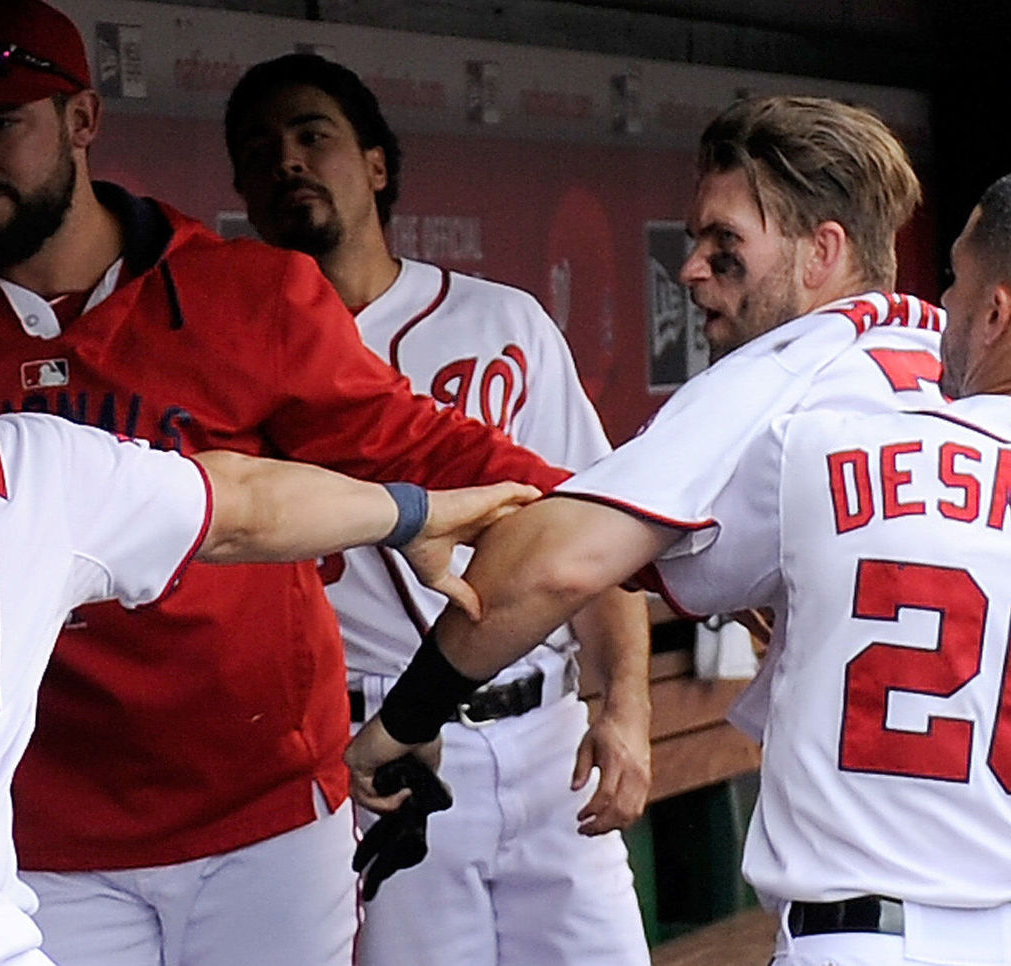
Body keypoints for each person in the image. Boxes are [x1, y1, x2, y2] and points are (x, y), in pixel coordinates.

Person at [350, 167, 1011, 966]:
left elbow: (564, 564)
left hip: (861, 940)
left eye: (955, 282)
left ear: (997, 314)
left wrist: (410, 714)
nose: (939, 307)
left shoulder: (824, 455)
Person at [0, 5, 570, 966]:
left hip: (260, 813)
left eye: (2, 124)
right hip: (45, 838)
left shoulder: (244, 292)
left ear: (83, 118)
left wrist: (650, 536)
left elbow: (412, 446)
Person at [344, 87, 941, 831]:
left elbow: (553, 564)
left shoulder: (779, 375)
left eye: (724, 241)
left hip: (872, 852)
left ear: (822, 251)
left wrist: (404, 720)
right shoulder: (952, 362)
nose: (690, 268)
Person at [223, 53, 652, 966]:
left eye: (312, 136)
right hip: (374, 747)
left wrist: (624, 705)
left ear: (376, 164)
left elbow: (591, 528)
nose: (287, 160)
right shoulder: (236, 365)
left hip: (546, 736)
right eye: (259, 150)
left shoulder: (504, 323)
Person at [0, 406, 537, 966]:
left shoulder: (35, 468)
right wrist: (414, 516)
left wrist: (415, 515)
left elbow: (245, 504)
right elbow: (247, 505)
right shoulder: (34, 468)